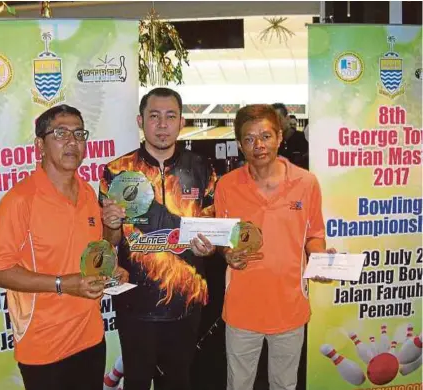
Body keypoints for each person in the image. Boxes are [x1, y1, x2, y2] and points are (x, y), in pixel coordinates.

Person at [0, 104, 128, 390]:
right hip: (44, 346)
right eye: (60, 133)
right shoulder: (20, 200)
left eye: (79, 134)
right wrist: (63, 284)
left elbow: (102, 248)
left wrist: (113, 255)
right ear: (40, 144)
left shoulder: (87, 192)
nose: (72, 142)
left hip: (90, 336)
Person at [100, 87, 217, 390]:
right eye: (154, 116)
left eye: (170, 116)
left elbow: (212, 235)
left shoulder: (203, 169)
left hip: (187, 301)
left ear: (182, 122)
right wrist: (111, 225)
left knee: (178, 382)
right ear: (141, 120)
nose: (162, 125)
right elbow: (110, 240)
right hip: (134, 302)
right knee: (136, 382)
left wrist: (208, 248)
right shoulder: (116, 171)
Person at [214, 104, 335, 390]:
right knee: (239, 384)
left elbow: (314, 234)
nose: (259, 145)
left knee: (284, 384)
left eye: (266, 136)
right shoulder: (226, 186)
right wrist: (228, 254)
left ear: (280, 136)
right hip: (242, 308)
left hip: (290, 306)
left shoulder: (306, 183)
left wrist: (318, 255)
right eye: (249, 139)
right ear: (240, 145)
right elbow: (223, 240)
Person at [273, 103, 309, 170]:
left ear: (287, 118)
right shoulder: (273, 141)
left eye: (278, 119)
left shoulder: (299, 138)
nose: (275, 123)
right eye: (272, 120)